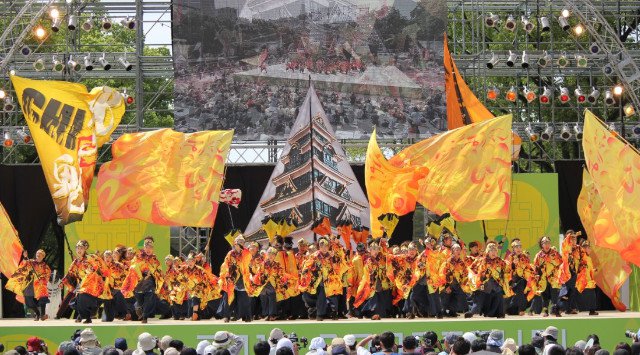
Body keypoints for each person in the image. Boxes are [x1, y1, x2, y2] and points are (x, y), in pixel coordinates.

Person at [61, 240, 110, 324]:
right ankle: (83, 316)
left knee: (83, 298)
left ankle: (87, 317)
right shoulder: (75, 262)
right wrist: (62, 282)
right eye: (77, 248)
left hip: (93, 283)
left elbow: (100, 268)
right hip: (83, 284)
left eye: (81, 248)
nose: (79, 250)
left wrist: (94, 270)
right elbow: (69, 273)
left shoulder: (90, 257)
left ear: (85, 249)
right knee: (76, 301)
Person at [121, 237, 162, 323]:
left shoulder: (154, 259)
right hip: (138, 281)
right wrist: (142, 276)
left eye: (150, 247)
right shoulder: (138, 256)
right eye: (146, 247)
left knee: (149, 297)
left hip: (150, 281)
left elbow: (159, 271)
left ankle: (145, 316)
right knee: (140, 299)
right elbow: (133, 267)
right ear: (144, 247)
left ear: (153, 249)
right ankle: (138, 307)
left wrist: (153, 273)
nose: (148, 249)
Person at [6, 249, 52, 321]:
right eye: (37, 253)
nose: (38, 255)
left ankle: (43, 315)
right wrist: (25, 257)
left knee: (43, 298)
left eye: (40, 254)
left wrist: (42, 278)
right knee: (28, 302)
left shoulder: (45, 266)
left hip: (40, 285)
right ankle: (37, 313)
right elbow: (22, 266)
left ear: (43, 256)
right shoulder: (30, 262)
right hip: (30, 283)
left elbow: (48, 275)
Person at [219, 235, 253, 322]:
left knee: (244, 298)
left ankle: (247, 316)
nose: (241, 243)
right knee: (229, 297)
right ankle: (227, 316)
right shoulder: (230, 253)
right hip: (232, 277)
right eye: (239, 242)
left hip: (242, 277)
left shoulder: (246, 252)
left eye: (242, 242)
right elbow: (225, 264)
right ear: (235, 243)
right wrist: (228, 271)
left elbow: (247, 261)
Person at [532, 236, 563, 317]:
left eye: (548, 242)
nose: (547, 244)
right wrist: (537, 275)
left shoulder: (555, 253)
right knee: (545, 295)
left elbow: (560, 263)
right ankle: (545, 310)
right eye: (544, 243)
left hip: (553, 277)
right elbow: (536, 266)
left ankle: (555, 310)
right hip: (543, 278)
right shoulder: (539, 255)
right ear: (541, 245)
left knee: (554, 294)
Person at [575, 241, 598, 315]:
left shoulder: (588, 258)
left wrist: (593, 270)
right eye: (588, 248)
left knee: (591, 295)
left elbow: (588, 269)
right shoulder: (581, 257)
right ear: (584, 249)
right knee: (589, 295)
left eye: (589, 247)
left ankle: (591, 310)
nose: (589, 249)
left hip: (588, 280)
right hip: (583, 280)